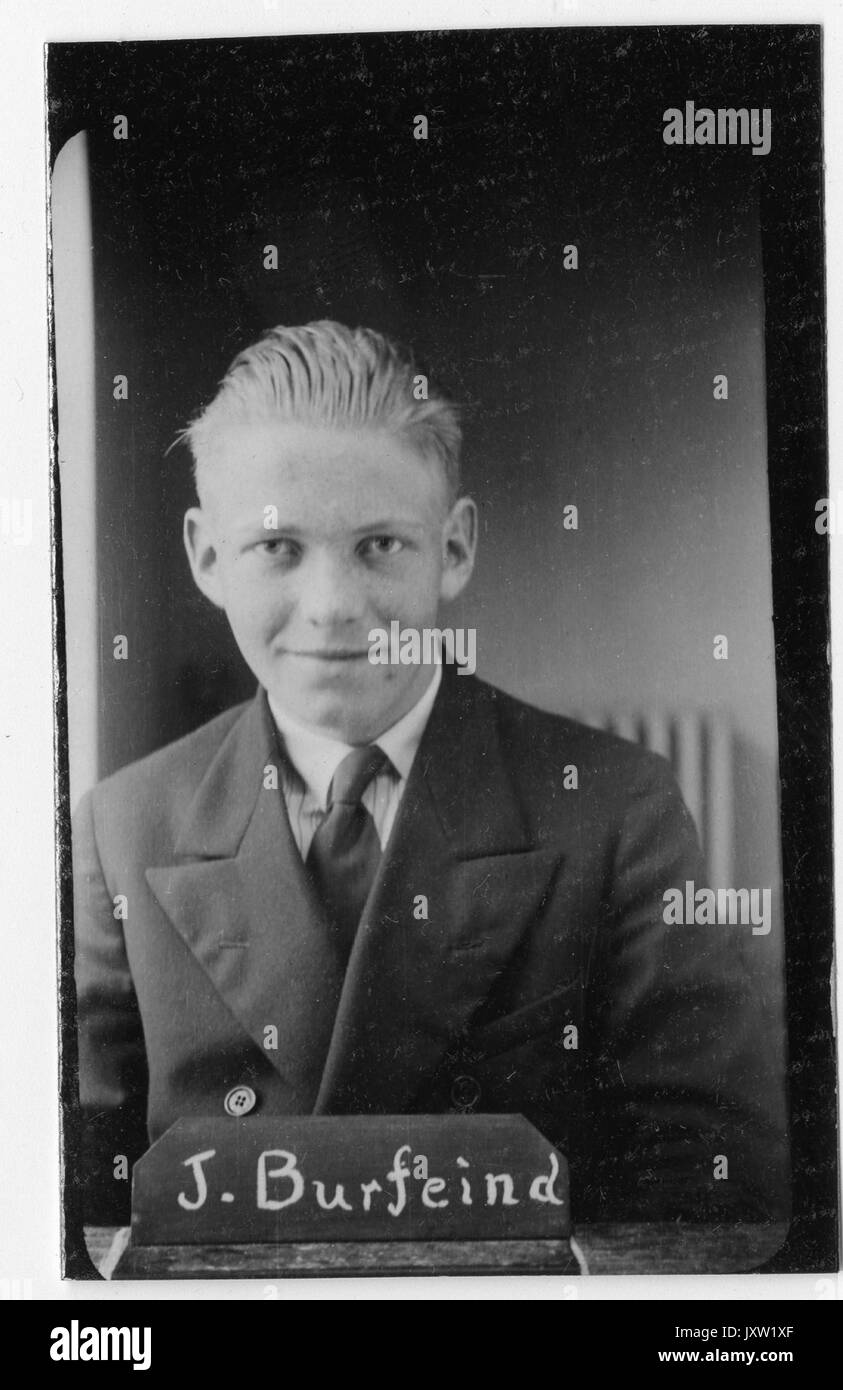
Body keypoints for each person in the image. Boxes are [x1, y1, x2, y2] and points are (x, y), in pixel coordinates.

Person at [73, 320, 788, 1228]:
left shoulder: (614, 808)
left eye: (379, 545)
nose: (332, 609)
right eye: (277, 548)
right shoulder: (122, 829)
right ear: (208, 558)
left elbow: (719, 1185)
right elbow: (74, 1203)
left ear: (453, 550)